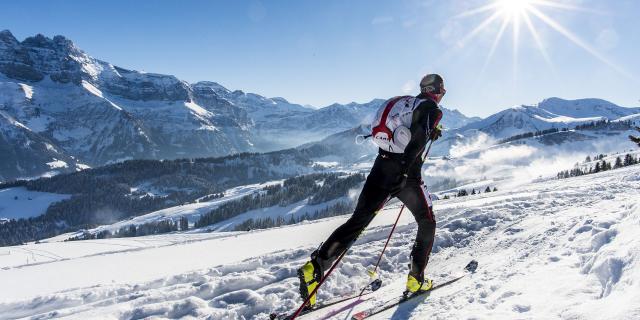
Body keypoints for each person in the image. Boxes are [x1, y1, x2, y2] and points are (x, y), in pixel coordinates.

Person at [297, 74, 446, 308]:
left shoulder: (409, 103)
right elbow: (416, 139)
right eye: (442, 92)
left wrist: (430, 132)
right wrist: (405, 172)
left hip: (381, 168)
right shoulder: (432, 108)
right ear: (437, 91)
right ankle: (416, 281)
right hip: (406, 176)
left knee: (357, 222)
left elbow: (411, 130)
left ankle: (313, 269)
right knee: (427, 222)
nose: (442, 96)